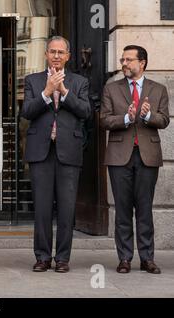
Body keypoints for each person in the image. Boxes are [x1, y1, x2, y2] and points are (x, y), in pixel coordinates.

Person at [21, 36, 91, 273]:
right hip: (41, 152)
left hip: (68, 152)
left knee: (66, 209)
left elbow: (85, 111)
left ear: (69, 56)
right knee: (41, 208)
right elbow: (27, 111)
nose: (57, 56)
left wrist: (63, 91)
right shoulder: (32, 80)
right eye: (53, 51)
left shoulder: (79, 82)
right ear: (46, 54)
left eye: (61, 52)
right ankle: (42, 257)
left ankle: (62, 258)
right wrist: (47, 92)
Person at [100, 45, 169, 274]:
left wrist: (147, 115)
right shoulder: (111, 88)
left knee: (144, 209)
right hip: (120, 157)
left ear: (143, 63)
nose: (124, 64)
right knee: (122, 210)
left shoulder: (158, 89)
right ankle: (125, 258)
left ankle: (147, 258)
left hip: (147, 156)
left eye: (129, 60)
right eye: (123, 59)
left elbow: (164, 120)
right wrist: (127, 118)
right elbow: (105, 120)